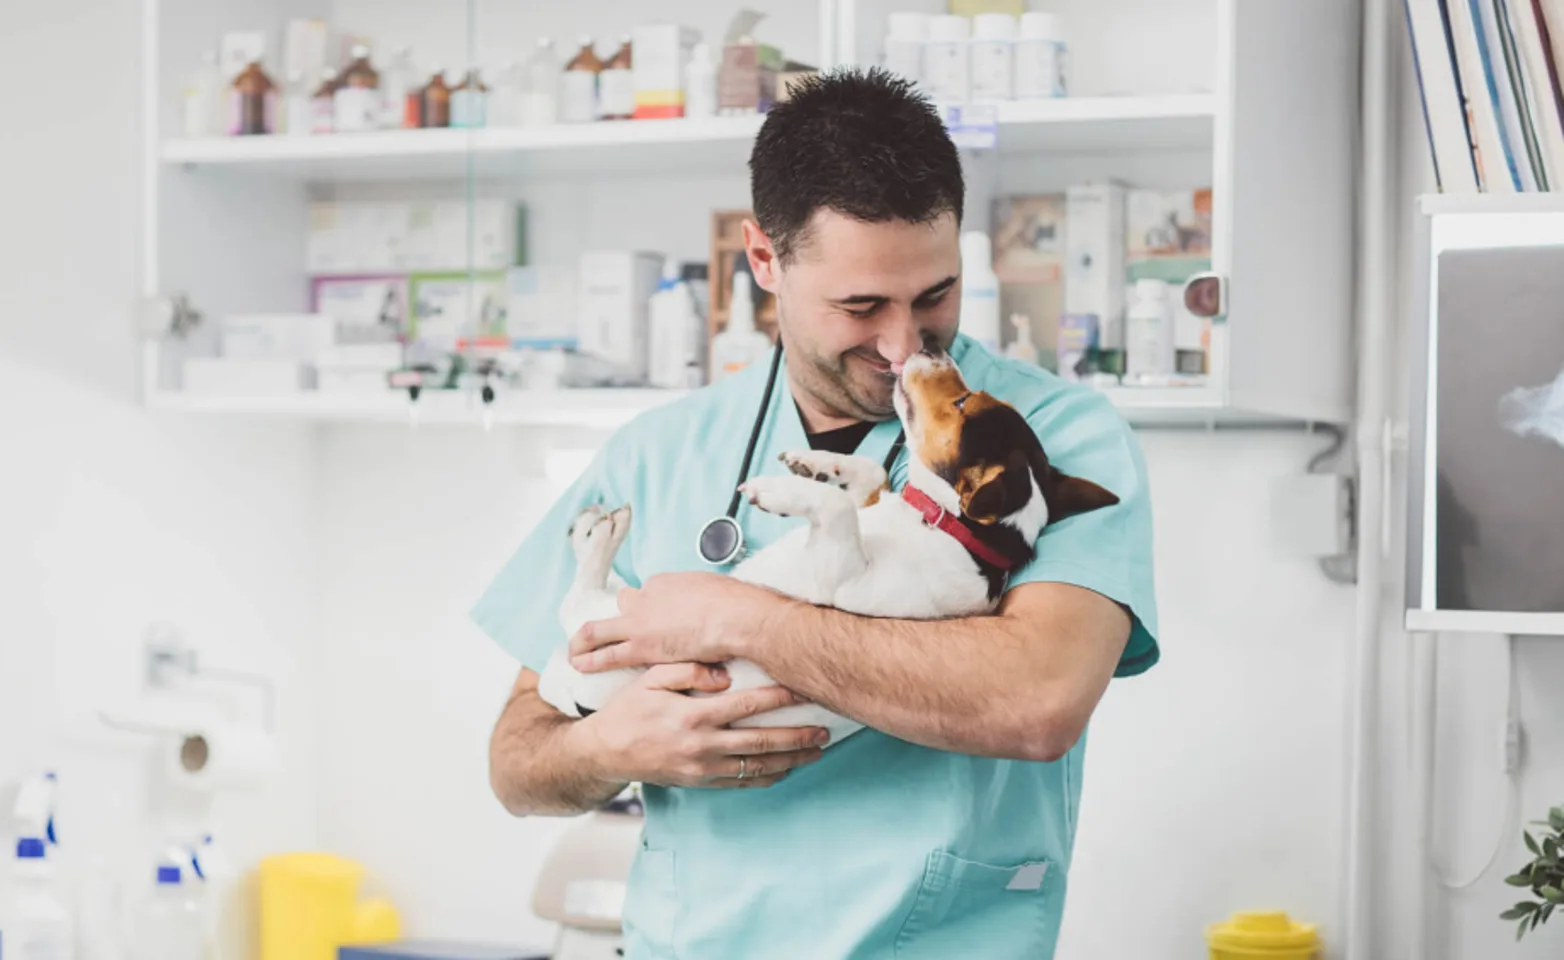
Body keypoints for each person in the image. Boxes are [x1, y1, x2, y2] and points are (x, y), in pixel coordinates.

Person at [473, 67, 1159, 960]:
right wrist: (608, 749)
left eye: (934, 296)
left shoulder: (1053, 439)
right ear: (766, 260)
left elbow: (1035, 699)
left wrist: (739, 614)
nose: (903, 345)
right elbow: (518, 759)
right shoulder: (657, 451)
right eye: (861, 305)